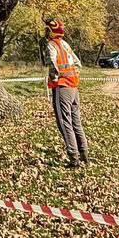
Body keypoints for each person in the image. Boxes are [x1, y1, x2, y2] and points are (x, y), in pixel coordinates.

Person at [43, 19, 88, 167]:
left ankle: (73, 158)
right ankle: (84, 153)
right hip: (74, 88)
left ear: (51, 31)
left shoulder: (51, 45)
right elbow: (77, 63)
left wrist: (54, 78)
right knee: (76, 121)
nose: (45, 32)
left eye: (47, 29)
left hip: (62, 87)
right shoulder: (65, 44)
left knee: (64, 122)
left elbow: (52, 65)